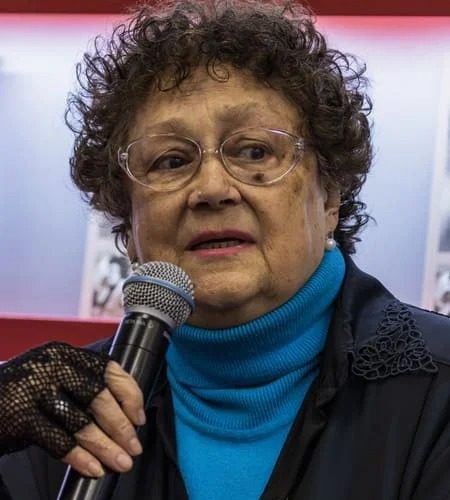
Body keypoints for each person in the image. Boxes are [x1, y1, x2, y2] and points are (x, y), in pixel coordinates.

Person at [1, 0, 450, 498]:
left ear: (330, 197)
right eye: (171, 161)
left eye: (255, 151)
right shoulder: (55, 416)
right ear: (128, 221)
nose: (212, 188)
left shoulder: (437, 394)